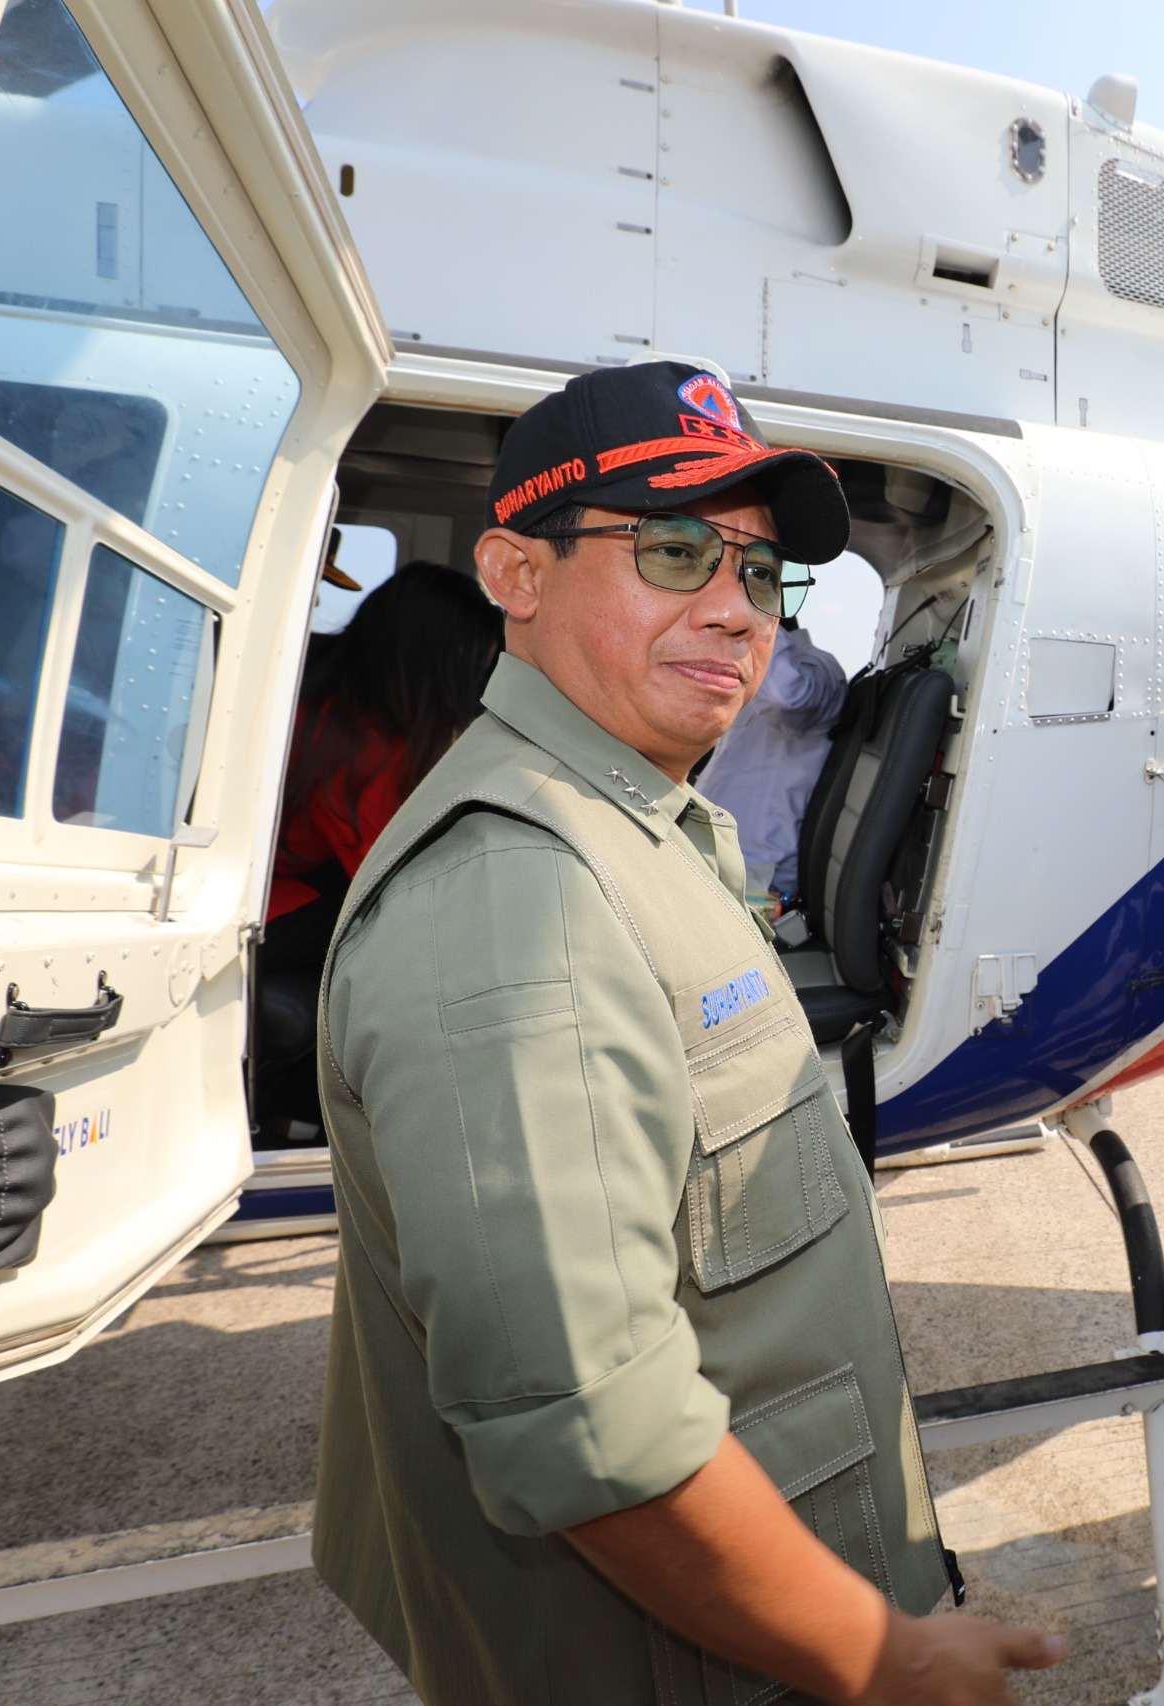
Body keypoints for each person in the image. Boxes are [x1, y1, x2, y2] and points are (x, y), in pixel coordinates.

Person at [311, 361, 1061, 1706]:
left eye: (763, 574)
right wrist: (877, 1652)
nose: (734, 609)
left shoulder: (636, 819)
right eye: (673, 551)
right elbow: (583, 1420)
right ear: (514, 573)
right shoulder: (516, 898)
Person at [254, 561, 500, 1137]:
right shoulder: (369, 748)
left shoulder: (317, 701)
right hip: (272, 914)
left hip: (271, 890)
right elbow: (398, 879)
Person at [695, 614, 848, 916]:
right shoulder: (758, 671)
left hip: (758, 877)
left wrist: (756, 624)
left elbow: (786, 698)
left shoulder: (817, 668)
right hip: (722, 859)